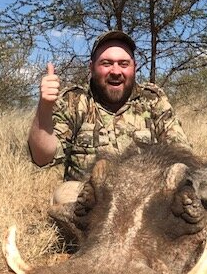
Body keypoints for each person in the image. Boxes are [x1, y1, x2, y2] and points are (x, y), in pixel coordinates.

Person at [27, 30, 191, 204]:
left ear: (134, 67)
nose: (115, 71)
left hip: (147, 197)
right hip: (92, 200)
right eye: (106, 63)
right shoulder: (74, 100)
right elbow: (42, 158)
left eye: (123, 63)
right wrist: (44, 107)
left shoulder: (152, 99)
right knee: (63, 195)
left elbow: (182, 153)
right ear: (91, 67)